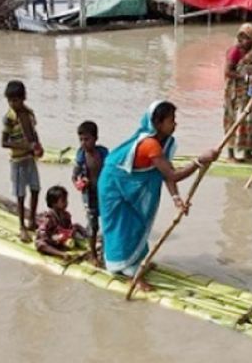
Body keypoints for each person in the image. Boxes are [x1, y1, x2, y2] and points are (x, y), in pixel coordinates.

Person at [98, 101, 219, 291]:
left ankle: (134, 263)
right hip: (114, 185)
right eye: (171, 120)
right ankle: (127, 272)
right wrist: (198, 161)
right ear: (158, 123)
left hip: (128, 184)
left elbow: (165, 173)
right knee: (123, 225)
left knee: (137, 223)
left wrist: (176, 199)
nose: (175, 124)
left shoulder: (165, 142)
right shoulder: (150, 144)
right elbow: (173, 175)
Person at [1, 80, 44, 243]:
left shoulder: (29, 113)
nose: (12, 104)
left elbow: (33, 132)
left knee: (35, 189)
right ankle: (22, 226)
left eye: (15, 100)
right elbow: (4, 142)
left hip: (30, 158)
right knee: (20, 194)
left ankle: (32, 220)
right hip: (17, 160)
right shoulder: (9, 118)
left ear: (23, 98)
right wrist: (26, 146)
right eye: (10, 101)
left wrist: (38, 146)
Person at [72, 120, 109, 266]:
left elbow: (112, 171)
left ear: (95, 138)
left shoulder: (103, 153)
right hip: (90, 195)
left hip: (105, 194)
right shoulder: (81, 156)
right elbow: (74, 177)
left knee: (107, 224)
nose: (83, 143)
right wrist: (80, 183)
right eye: (81, 139)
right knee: (93, 226)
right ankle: (93, 255)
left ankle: (106, 254)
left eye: (87, 139)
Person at [224, 23, 252, 162]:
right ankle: (231, 155)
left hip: (250, 91)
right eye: (241, 38)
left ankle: (248, 152)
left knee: (249, 120)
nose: (243, 41)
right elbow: (228, 71)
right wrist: (243, 76)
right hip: (234, 91)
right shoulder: (235, 51)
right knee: (233, 120)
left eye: (246, 38)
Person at [35, 185, 88, 258]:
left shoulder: (66, 215)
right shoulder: (48, 218)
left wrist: (69, 233)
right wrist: (53, 238)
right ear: (54, 203)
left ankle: (88, 239)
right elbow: (42, 235)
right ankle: (61, 254)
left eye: (66, 200)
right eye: (63, 201)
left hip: (62, 239)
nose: (66, 203)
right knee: (41, 244)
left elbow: (69, 228)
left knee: (77, 226)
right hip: (51, 240)